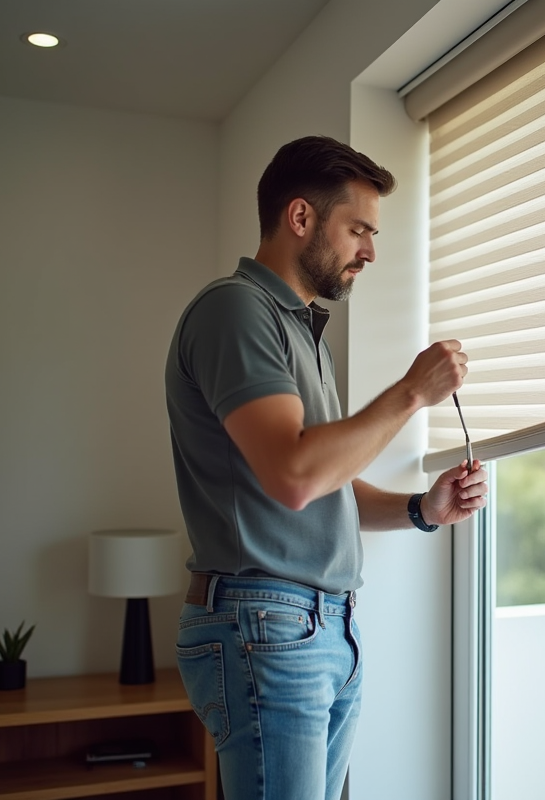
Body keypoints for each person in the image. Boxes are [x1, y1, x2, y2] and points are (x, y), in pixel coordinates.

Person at [164, 135, 488, 800]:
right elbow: (296, 474)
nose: (369, 251)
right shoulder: (235, 311)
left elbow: (321, 481)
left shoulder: (302, 334)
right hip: (267, 624)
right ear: (302, 218)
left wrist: (422, 509)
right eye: (359, 230)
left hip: (322, 626)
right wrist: (411, 393)